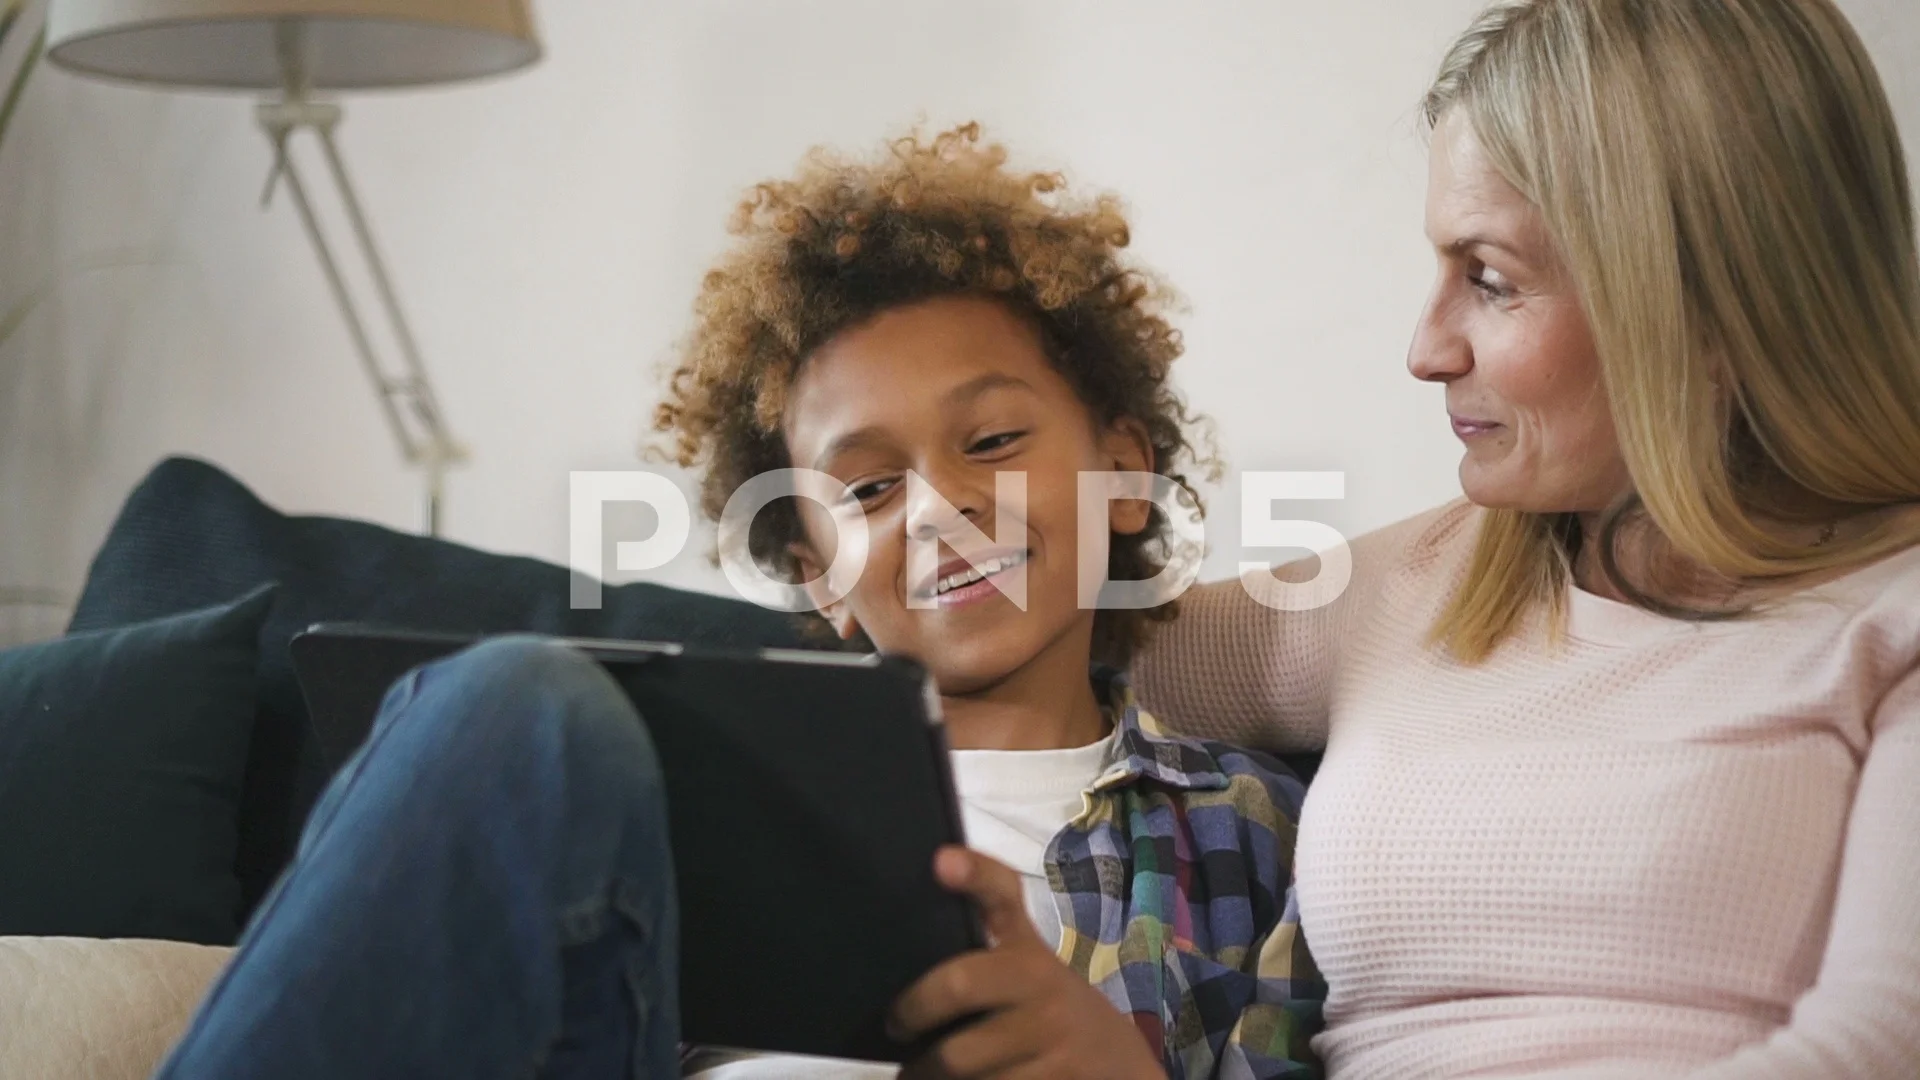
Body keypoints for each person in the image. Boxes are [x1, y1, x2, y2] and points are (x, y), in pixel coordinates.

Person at [155, 124, 1321, 1080]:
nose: (939, 507)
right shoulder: (662, 778)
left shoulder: (1252, 826)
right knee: (513, 702)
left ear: (1122, 471)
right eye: (867, 486)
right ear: (821, 575)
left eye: (996, 438)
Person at [1131, 1, 1920, 1077]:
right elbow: (1055, 645)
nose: (1425, 348)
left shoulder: (1893, 620)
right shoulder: (1426, 582)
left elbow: (1876, 1050)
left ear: (1702, 295)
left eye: (1489, 279)